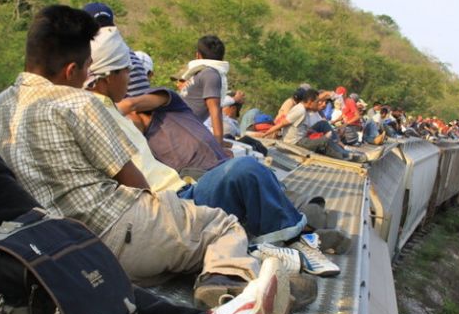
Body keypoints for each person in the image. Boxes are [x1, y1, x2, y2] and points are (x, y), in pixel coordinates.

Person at [0, 5, 301, 311]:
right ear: (72, 71)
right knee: (222, 225)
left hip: (56, 250)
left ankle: (224, 265)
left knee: (183, 235)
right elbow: (134, 184)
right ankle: (226, 283)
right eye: (85, 69)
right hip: (114, 230)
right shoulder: (79, 103)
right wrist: (167, 214)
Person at [0, 146, 288, 314]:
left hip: (65, 236)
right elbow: (138, 186)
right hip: (106, 228)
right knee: (224, 216)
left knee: (44, 257)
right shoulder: (78, 104)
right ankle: (223, 290)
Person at [83, 26, 339, 279]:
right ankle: (296, 236)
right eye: (126, 71)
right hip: (173, 202)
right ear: (108, 77)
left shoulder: (157, 105)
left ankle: (297, 234)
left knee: (250, 174)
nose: (129, 78)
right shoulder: (99, 116)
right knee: (247, 171)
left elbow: (135, 104)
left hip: (187, 187)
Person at [258, 89, 366, 163]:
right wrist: (265, 134)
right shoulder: (300, 110)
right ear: (309, 102)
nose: (318, 104)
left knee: (323, 124)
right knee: (325, 141)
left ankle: (344, 149)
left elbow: (320, 98)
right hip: (297, 141)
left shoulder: (306, 109)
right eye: (317, 102)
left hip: (303, 136)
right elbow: (282, 123)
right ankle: (346, 156)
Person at [175, 35, 231, 148]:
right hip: (180, 129)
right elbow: (215, 109)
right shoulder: (211, 74)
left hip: (181, 126)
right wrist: (218, 146)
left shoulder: (204, 73)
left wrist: (218, 141)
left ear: (198, 55)